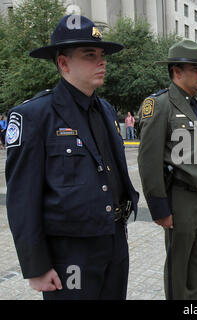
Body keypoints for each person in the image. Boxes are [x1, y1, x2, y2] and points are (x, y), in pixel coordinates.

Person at [5, 15, 139, 300]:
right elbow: (22, 198)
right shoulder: (34, 116)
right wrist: (36, 266)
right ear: (63, 63)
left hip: (114, 240)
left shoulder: (104, 109)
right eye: (90, 55)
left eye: (102, 55)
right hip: (71, 253)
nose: (101, 62)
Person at [138, 40, 197, 300]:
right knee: (178, 266)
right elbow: (148, 161)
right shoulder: (160, 104)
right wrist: (160, 209)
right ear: (177, 71)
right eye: (196, 68)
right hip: (181, 199)